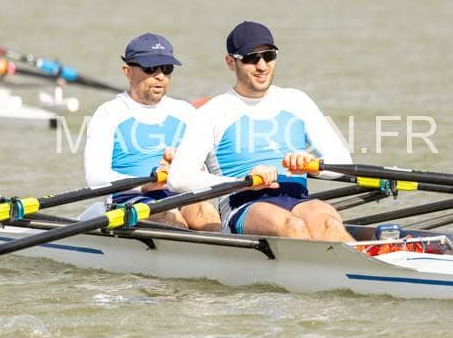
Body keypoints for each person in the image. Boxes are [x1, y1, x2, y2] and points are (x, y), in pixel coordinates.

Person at [167, 21, 355, 241]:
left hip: (298, 200)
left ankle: (362, 262)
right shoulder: (214, 111)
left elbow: (344, 163)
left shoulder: (298, 101)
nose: (262, 66)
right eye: (251, 58)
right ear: (231, 62)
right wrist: (243, 179)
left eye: (269, 56)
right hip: (244, 205)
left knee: (330, 224)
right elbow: (178, 178)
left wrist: (313, 165)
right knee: (292, 226)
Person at [84, 32, 220, 230]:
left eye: (167, 69)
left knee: (206, 214)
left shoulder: (186, 112)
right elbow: (95, 178)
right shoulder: (109, 114)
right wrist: (145, 184)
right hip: (129, 200)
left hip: (180, 196)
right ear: (127, 71)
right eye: (150, 68)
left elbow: (212, 171)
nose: (160, 76)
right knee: (172, 219)